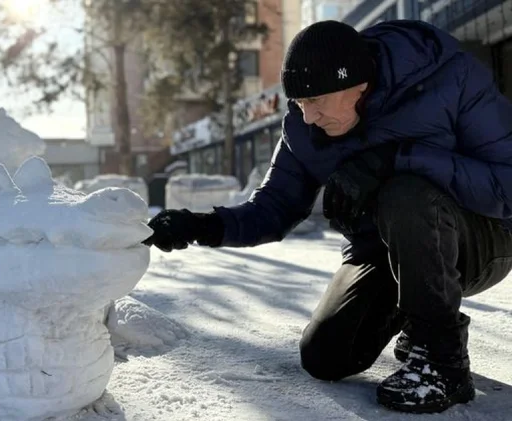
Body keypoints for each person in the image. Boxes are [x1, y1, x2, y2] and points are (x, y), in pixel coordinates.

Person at [144, 19, 512, 414]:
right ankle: (420, 318)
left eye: (316, 101)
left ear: (358, 83)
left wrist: (400, 159)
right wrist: (201, 226)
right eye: (300, 104)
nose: (308, 117)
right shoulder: (303, 129)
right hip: (384, 250)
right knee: (326, 356)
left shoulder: (449, 78)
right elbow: (272, 209)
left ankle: (442, 361)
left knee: (405, 192)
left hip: (480, 242)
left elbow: (507, 185)